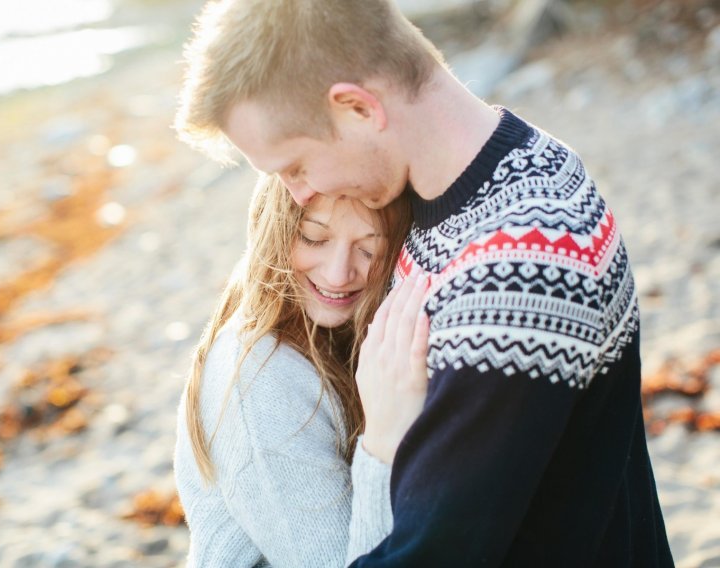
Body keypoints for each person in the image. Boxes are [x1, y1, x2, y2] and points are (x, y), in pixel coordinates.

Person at [175, 0, 674, 566]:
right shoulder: (517, 168)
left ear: (358, 108)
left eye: (294, 166)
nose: (295, 193)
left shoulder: (510, 272)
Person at [173, 174, 424, 567]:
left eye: (369, 249)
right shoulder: (263, 385)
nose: (339, 273)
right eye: (314, 238)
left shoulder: (333, 333)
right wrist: (385, 441)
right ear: (275, 228)